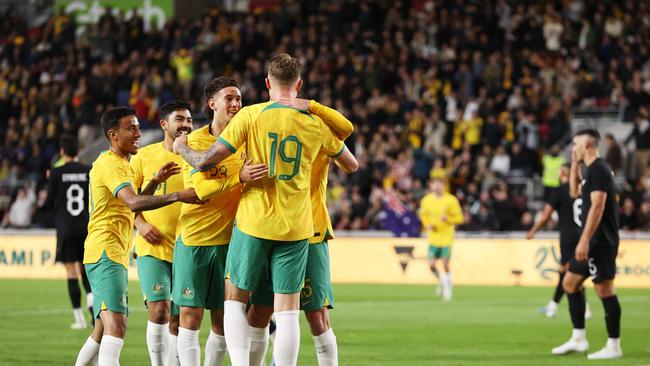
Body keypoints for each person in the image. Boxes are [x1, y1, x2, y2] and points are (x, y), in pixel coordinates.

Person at [173, 53, 358, 366]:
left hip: (254, 223)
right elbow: (351, 164)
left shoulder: (251, 116)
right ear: (299, 84)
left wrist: (182, 148)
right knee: (286, 311)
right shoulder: (315, 124)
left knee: (235, 301)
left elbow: (204, 162)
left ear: (267, 84)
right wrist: (313, 107)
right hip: (298, 227)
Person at [74, 107, 200, 366]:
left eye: (138, 127)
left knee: (100, 331)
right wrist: (177, 195)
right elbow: (133, 203)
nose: (138, 133)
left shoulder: (122, 164)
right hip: (105, 251)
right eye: (130, 128)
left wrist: (154, 181)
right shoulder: (111, 165)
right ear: (113, 134)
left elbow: (136, 200)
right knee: (116, 326)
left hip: (112, 252)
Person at [246, 98, 356, 366]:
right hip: (270, 229)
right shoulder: (263, 126)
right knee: (258, 313)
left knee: (316, 317)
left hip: (311, 232)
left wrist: (313, 107)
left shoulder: (316, 129)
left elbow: (349, 147)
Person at [172, 76, 267, 366]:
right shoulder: (194, 142)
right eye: (230, 98)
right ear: (212, 104)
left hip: (234, 241)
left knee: (223, 321)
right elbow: (198, 190)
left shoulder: (250, 140)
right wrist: (237, 178)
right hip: (195, 239)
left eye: (239, 98)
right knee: (189, 316)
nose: (237, 103)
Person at [130, 100, 193, 366]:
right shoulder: (144, 156)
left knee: (179, 320)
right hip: (153, 247)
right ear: (164, 124)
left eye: (190, 120)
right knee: (159, 311)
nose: (186, 125)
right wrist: (141, 224)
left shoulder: (197, 154)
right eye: (180, 119)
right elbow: (127, 201)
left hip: (188, 247)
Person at [552, 129, 622, 360]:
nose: (573, 148)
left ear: (589, 144)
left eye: (576, 144)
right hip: (590, 242)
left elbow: (598, 206)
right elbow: (573, 192)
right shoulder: (590, 170)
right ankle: (579, 338)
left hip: (600, 243)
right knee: (570, 283)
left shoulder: (600, 169)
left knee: (604, 290)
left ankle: (614, 345)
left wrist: (583, 240)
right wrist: (574, 164)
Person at [40, 134, 93, 329]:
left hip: (66, 228)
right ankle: (93, 313)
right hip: (86, 226)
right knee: (85, 271)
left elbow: (48, 203)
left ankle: (79, 320)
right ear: (78, 151)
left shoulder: (56, 173)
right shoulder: (89, 171)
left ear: (62, 152)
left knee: (71, 272)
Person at [527, 164, 591, 320]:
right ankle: (553, 306)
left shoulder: (560, 191)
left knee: (569, 272)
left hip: (568, 237)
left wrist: (533, 231)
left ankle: (583, 308)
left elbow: (545, 215)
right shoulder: (584, 191)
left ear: (563, 173)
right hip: (584, 236)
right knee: (570, 272)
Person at [418, 177, 463, 301]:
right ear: (431, 186)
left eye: (440, 184)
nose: (437, 187)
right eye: (435, 184)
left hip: (446, 237)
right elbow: (423, 215)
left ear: (444, 186)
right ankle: (442, 281)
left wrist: (448, 219)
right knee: (431, 265)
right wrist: (427, 225)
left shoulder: (451, 200)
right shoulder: (426, 200)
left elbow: (460, 218)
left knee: (445, 263)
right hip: (433, 237)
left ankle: (448, 287)